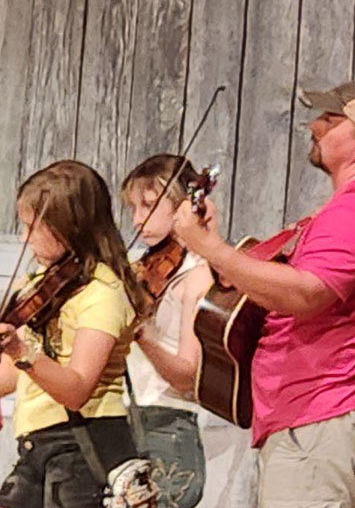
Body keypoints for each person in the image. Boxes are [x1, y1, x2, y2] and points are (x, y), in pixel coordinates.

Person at [173, 82, 355, 508]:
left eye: (332, 119)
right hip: (307, 421)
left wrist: (206, 248)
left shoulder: (350, 210)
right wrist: (216, 246)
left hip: (318, 418)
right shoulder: (333, 213)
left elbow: (309, 294)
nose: (315, 125)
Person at [0, 160, 146, 508]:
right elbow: (21, 374)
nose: (24, 238)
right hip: (40, 446)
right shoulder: (44, 283)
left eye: (33, 227)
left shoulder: (102, 293)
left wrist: (21, 350)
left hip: (84, 449)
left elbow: (76, 389)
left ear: (70, 226)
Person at [121, 154, 257, 508]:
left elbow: (186, 376)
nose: (137, 220)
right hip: (127, 416)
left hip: (167, 422)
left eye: (148, 206)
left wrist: (142, 336)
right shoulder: (144, 269)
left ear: (184, 207)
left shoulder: (197, 276)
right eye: (133, 208)